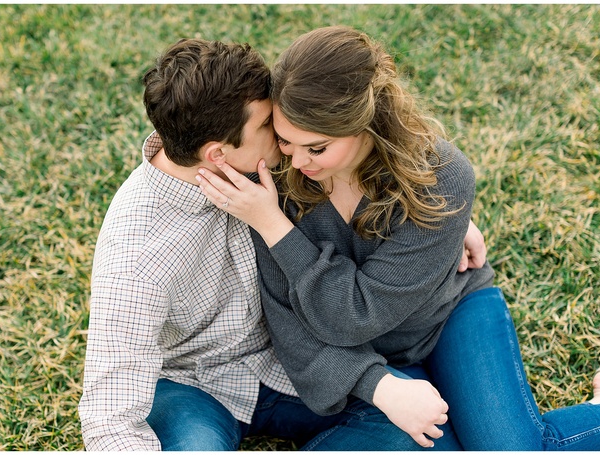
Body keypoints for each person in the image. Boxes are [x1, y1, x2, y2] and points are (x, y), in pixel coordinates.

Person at [196, 26, 600, 450]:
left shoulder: (443, 179)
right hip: (375, 355)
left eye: (317, 148)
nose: (295, 159)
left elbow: (354, 314)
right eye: (286, 140)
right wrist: (378, 384)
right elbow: (290, 324)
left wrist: (275, 228)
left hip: (450, 314)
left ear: (365, 126)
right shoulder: (272, 185)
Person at [78, 37, 488, 451]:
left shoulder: (269, 166)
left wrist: (441, 224)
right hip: (196, 386)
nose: (286, 138)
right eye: (268, 127)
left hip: (287, 367)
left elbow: (345, 131)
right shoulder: (138, 255)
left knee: (427, 435)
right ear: (218, 154)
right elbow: (108, 418)